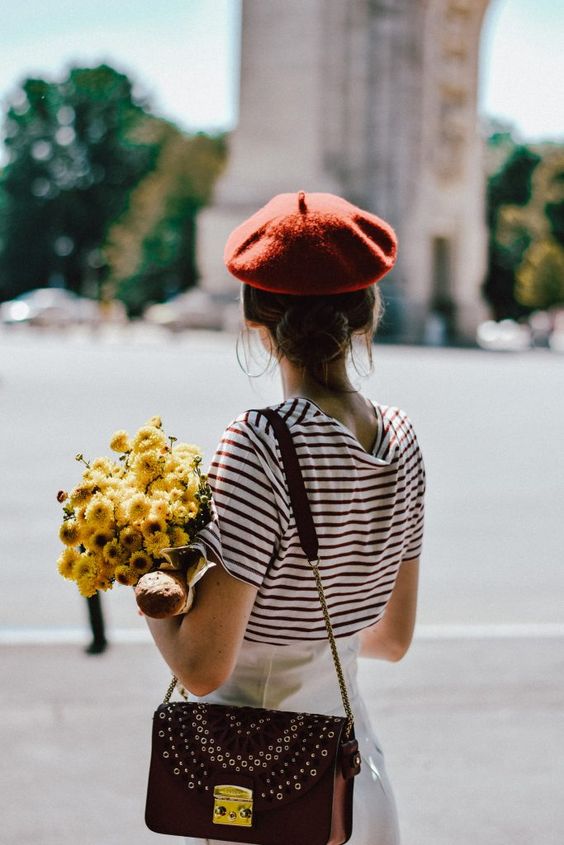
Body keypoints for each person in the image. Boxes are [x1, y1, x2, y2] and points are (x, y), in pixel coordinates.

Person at [146, 191, 425, 845]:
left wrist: (148, 568)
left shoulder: (260, 440)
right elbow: (390, 639)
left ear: (254, 317)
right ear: (367, 311)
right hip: (355, 782)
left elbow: (203, 667)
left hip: (262, 792)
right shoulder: (402, 437)